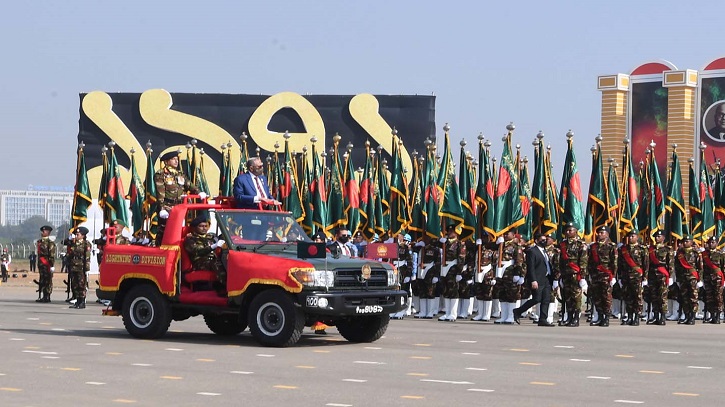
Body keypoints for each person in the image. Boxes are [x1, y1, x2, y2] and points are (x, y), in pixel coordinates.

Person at [154, 150, 201, 244]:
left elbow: (189, 184)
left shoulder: (179, 174)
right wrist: (162, 208)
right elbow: (160, 192)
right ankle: (161, 248)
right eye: (173, 159)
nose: (176, 161)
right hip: (167, 205)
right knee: (165, 230)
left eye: (176, 159)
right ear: (166, 161)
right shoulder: (161, 174)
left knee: (179, 228)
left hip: (180, 206)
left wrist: (199, 192)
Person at [514, 233, 555, 326]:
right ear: (536, 241)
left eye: (546, 239)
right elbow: (531, 267)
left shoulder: (545, 251)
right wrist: (533, 280)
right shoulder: (532, 251)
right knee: (536, 299)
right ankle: (518, 311)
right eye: (542, 240)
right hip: (537, 279)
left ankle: (543, 319)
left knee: (546, 299)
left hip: (547, 278)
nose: (545, 241)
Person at [558, 223, 588, 327]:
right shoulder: (562, 244)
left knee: (576, 297)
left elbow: (583, 261)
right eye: (567, 230)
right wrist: (560, 276)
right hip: (566, 274)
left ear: (576, 231)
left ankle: (576, 318)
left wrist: (582, 277)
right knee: (567, 297)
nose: (568, 232)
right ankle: (569, 317)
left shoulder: (581, 244)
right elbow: (560, 261)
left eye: (570, 230)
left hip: (576, 274)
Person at [183, 216, 226, 287]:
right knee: (216, 262)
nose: (204, 228)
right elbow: (198, 251)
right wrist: (213, 246)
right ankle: (223, 287)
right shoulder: (191, 239)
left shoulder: (211, 236)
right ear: (195, 227)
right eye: (201, 226)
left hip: (213, 260)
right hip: (199, 263)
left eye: (206, 226)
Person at [587, 226, 617, 327]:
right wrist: (590, 274)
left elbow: (614, 262)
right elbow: (590, 261)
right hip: (596, 275)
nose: (599, 234)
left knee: (606, 297)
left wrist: (613, 276)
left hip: (606, 275)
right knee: (597, 297)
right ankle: (599, 316)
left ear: (607, 234)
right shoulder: (593, 246)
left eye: (602, 233)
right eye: (599, 233)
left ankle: (606, 317)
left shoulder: (611, 246)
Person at [617, 230, 649, 326]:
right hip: (626, 276)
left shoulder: (642, 249)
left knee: (637, 297)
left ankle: (637, 317)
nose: (631, 238)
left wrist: (645, 278)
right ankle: (629, 316)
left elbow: (646, 264)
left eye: (633, 236)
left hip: (637, 277)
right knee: (628, 297)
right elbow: (620, 264)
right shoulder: (623, 249)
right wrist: (619, 277)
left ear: (637, 237)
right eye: (630, 236)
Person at [494, 229, 525, 324]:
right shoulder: (500, 244)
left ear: (513, 235)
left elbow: (519, 261)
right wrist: (497, 244)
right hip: (501, 272)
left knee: (511, 295)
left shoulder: (516, 246)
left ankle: (511, 316)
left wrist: (518, 273)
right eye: (504, 234)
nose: (505, 235)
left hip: (510, 272)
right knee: (502, 295)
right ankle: (503, 316)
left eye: (507, 234)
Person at [438, 225, 466, 322]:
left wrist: (459, 271)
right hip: (445, 268)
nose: (449, 232)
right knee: (446, 291)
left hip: (453, 268)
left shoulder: (459, 244)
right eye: (449, 231)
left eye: (451, 231)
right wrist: (440, 241)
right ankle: (447, 312)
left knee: (453, 291)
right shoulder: (445, 243)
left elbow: (461, 258)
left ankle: (453, 314)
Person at [647, 230, 673, 325]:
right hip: (652, 275)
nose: (657, 238)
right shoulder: (650, 249)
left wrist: (670, 276)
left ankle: (662, 317)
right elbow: (647, 264)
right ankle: (656, 316)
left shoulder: (667, 249)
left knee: (662, 296)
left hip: (662, 275)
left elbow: (670, 264)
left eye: (659, 236)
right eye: (656, 236)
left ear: (663, 238)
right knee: (654, 296)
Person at [675, 235, 701, 325]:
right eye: (684, 241)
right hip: (683, 278)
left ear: (691, 242)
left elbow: (700, 267)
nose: (685, 243)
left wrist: (700, 279)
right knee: (684, 298)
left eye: (687, 241)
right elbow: (677, 267)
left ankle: (692, 316)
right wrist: (678, 279)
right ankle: (686, 315)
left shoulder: (695, 253)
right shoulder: (680, 253)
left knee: (693, 297)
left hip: (692, 278)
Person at [701, 236, 723, 324]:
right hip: (707, 278)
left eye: (713, 242)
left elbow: (723, 267)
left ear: (717, 243)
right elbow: (701, 267)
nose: (711, 244)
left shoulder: (721, 254)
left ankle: (718, 315)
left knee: (718, 297)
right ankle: (712, 315)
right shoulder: (704, 254)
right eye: (710, 242)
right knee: (709, 297)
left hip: (717, 278)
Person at [68, 226, 92, 309]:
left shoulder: (86, 244)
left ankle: (82, 302)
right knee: (75, 285)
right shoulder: (74, 243)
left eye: (78, 234)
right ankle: (77, 301)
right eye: (76, 234)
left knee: (81, 285)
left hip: (81, 267)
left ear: (83, 235)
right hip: (74, 266)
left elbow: (87, 257)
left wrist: (87, 269)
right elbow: (71, 253)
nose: (76, 235)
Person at [36, 225, 56, 303]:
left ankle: (47, 296)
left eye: (44, 231)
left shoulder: (50, 243)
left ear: (48, 232)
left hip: (47, 263)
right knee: (42, 279)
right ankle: (43, 295)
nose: (42, 232)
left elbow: (51, 255)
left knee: (48, 280)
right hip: (41, 264)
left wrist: (51, 266)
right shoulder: (39, 242)